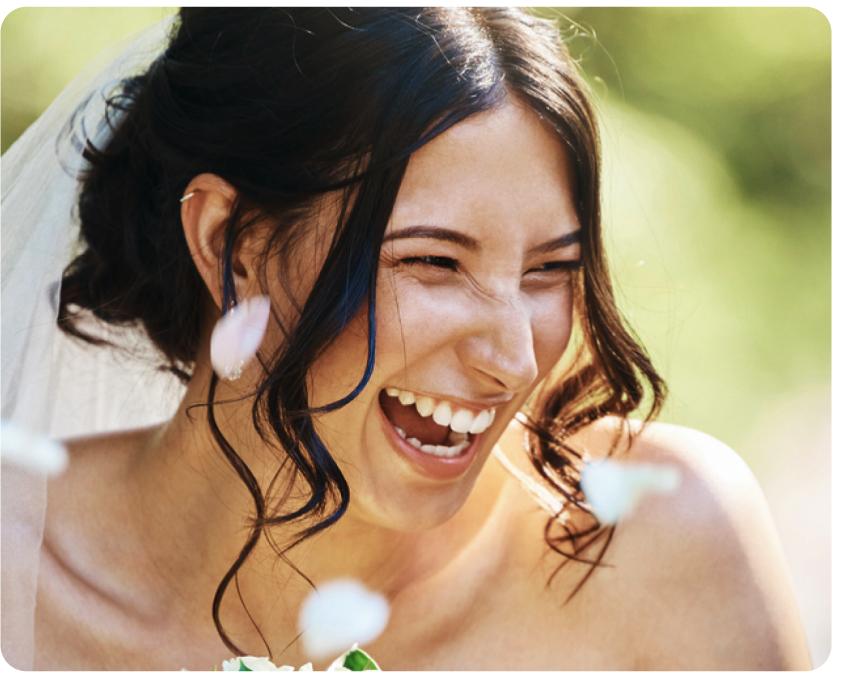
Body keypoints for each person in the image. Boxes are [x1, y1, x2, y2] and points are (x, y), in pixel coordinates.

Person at [1, 7, 811, 670]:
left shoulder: (666, 545)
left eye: (547, 273)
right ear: (229, 241)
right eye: (434, 261)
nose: (513, 360)